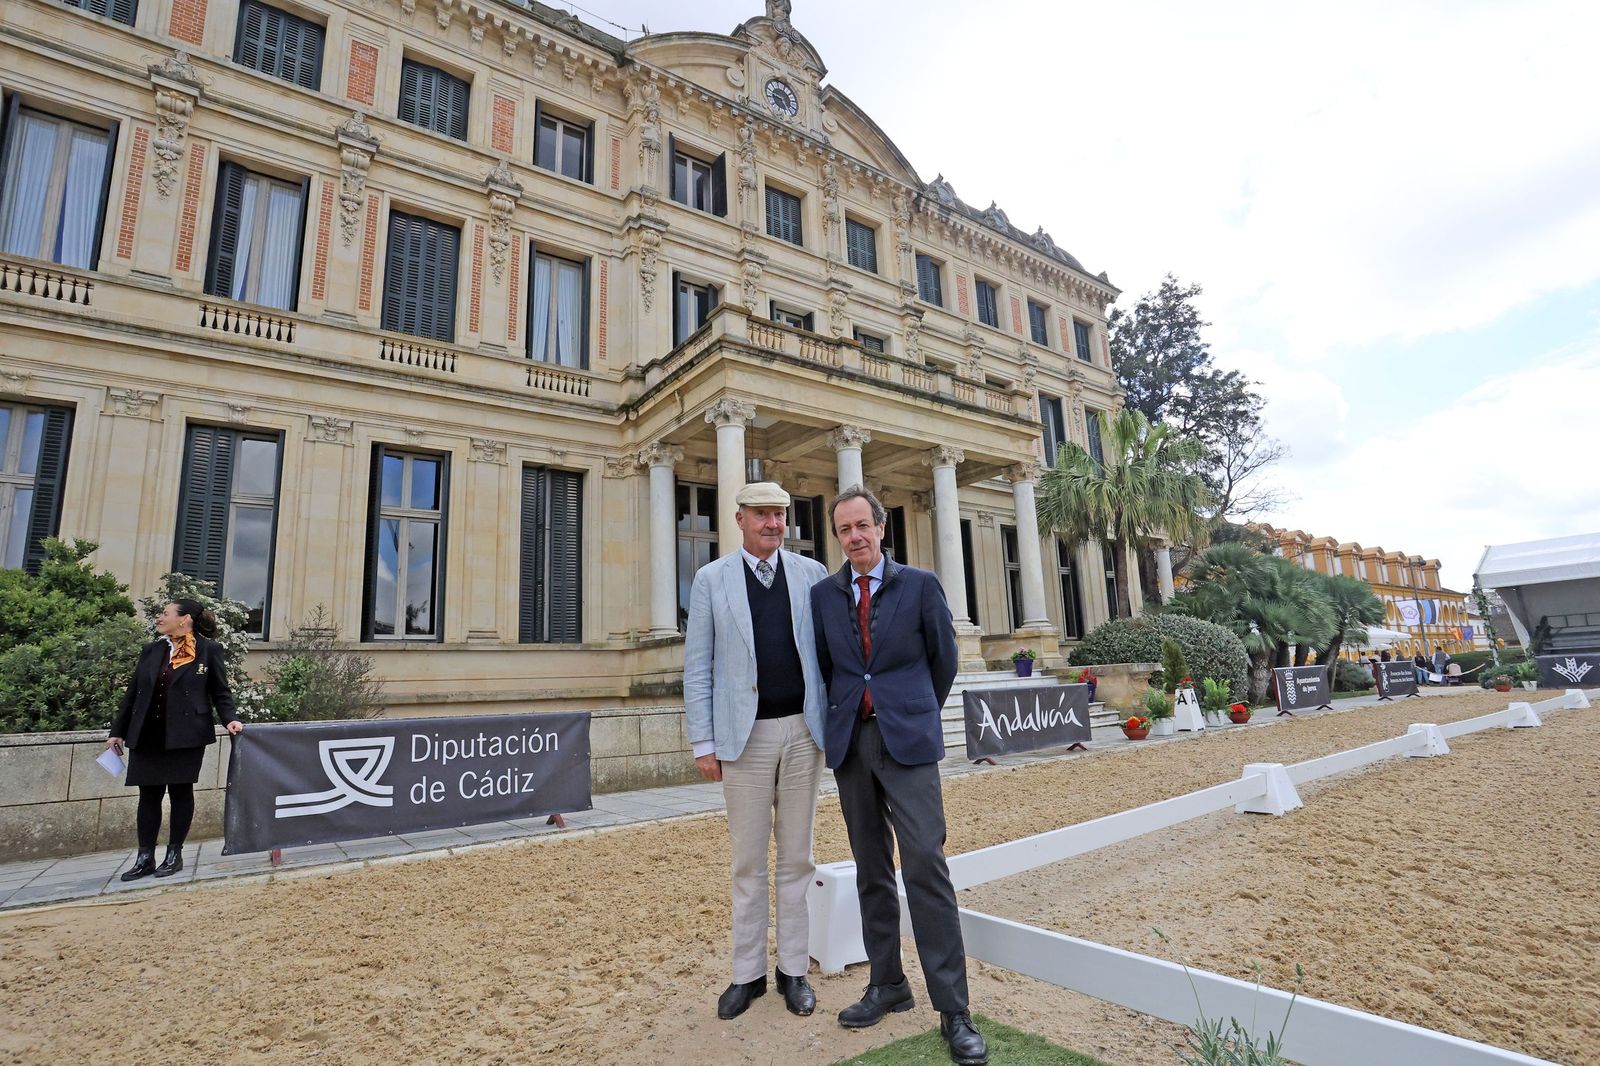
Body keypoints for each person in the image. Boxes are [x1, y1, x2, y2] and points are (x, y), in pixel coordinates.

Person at [809, 487, 987, 1066]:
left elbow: (944, 661)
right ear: (836, 536)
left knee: (926, 865)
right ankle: (887, 984)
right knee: (870, 868)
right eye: (844, 529)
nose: (854, 536)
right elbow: (831, 666)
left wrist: (911, 710)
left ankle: (953, 1009)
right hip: (852, 747)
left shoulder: (920, 585)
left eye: (863, 525)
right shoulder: (823, 597)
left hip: (907, 742)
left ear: (882, 528)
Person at [683, 482, 830, 1020]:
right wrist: (704, 742)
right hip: (742, 740)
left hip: (801, 734)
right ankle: (747, 975)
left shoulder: (811, 575)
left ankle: (793, 971)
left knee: (797, 858)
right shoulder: (710, 580)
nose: (773, 523)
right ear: (740, 518)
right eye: (763, 514)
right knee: (748, 863)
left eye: (781, 515)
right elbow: (698, 666)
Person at [106, 600, 243, 881]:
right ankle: (144, 857)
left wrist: (229, 718)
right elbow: (133, 693)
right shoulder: (152, 650)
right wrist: (116, 731)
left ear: (184, 620)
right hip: (147, 733)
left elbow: (220, 691)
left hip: (187, 733)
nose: (160, 618)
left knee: (181, 792)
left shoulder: (208, 650)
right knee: (148, 795)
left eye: (166, 614)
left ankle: (174, 854)